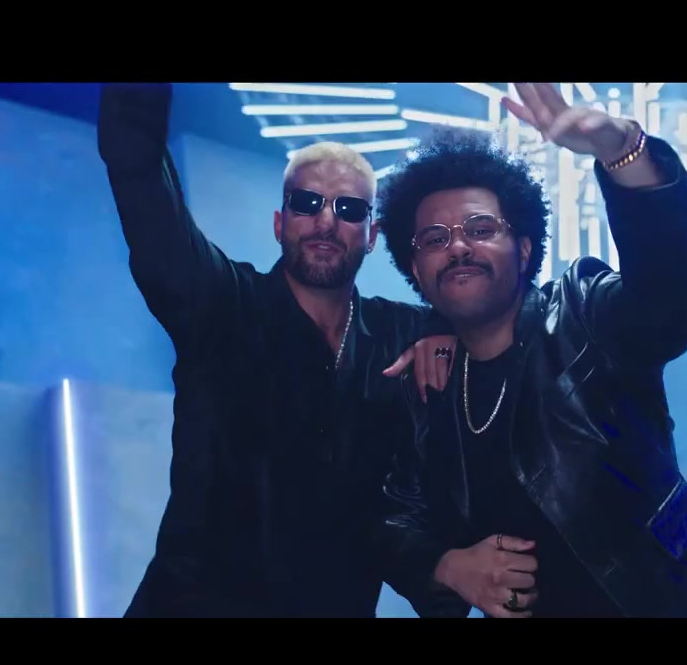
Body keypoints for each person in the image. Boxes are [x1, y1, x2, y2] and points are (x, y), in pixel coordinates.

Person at [375, 83, 687, 618]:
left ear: (524, 249)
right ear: (415, 268)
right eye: (435, 239)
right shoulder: (426, 386)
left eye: (481, 229)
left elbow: (681, 296)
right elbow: (394, 517)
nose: (457, 246)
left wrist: (622, 151)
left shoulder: (581, 313)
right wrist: (446, 567)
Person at [97, 83, 454, 617]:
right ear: (279, 222)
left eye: (349, 208)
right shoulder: (219, 303)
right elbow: (138, 169)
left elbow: (491, 315)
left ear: (372, 234)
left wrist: (450, 332)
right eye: (307, 203)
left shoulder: (402, 333)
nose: (326, 221)